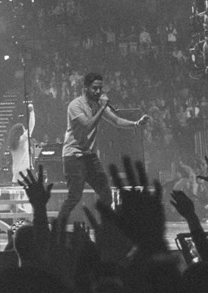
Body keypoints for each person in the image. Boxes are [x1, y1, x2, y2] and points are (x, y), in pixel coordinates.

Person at [61, 72, 147, 204]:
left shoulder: (97, 105)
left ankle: (103, 217)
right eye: (95, 88)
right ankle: (62, 218)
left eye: (100, 88)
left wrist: (136, 124)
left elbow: (116, 120)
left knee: (106, 194)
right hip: (74, 155)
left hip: (89, 155)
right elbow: (88, 126)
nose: (98, 91)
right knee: (74, 197)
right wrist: (102, 107)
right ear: (85, 89)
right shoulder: (75, 105)